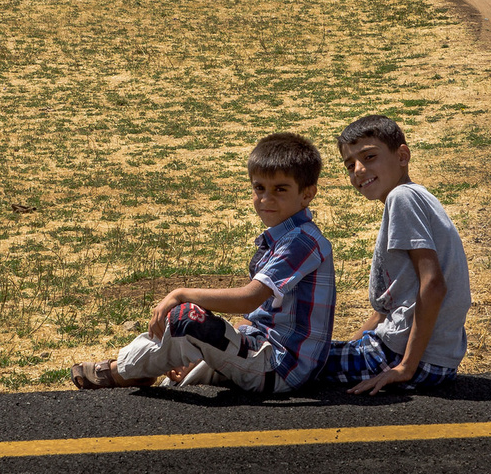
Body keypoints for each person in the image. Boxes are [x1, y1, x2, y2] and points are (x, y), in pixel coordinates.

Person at [70, 132, 335, 393]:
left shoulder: (301, 241)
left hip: (280, 369)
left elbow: (248, 299)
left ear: (307, 194)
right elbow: (259, 317)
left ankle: (119, 372)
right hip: (265, 353)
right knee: (186, 352)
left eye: (280, 189)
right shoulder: (288, 237)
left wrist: (181, 293)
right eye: (259, 188)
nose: (266, 199)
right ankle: (140, 370)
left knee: (189, 319)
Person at [320, 114, 470, 393]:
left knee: (290, 363)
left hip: (406, 358)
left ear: (402, 155)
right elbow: (385, 310)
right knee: (313, 357)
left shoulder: (402, 198)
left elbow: (434, 285)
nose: (359, 170)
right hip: (435, 362)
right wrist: (352, 347)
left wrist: (405, 368)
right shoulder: (415, 197)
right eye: (350, 165)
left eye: (369, 157)